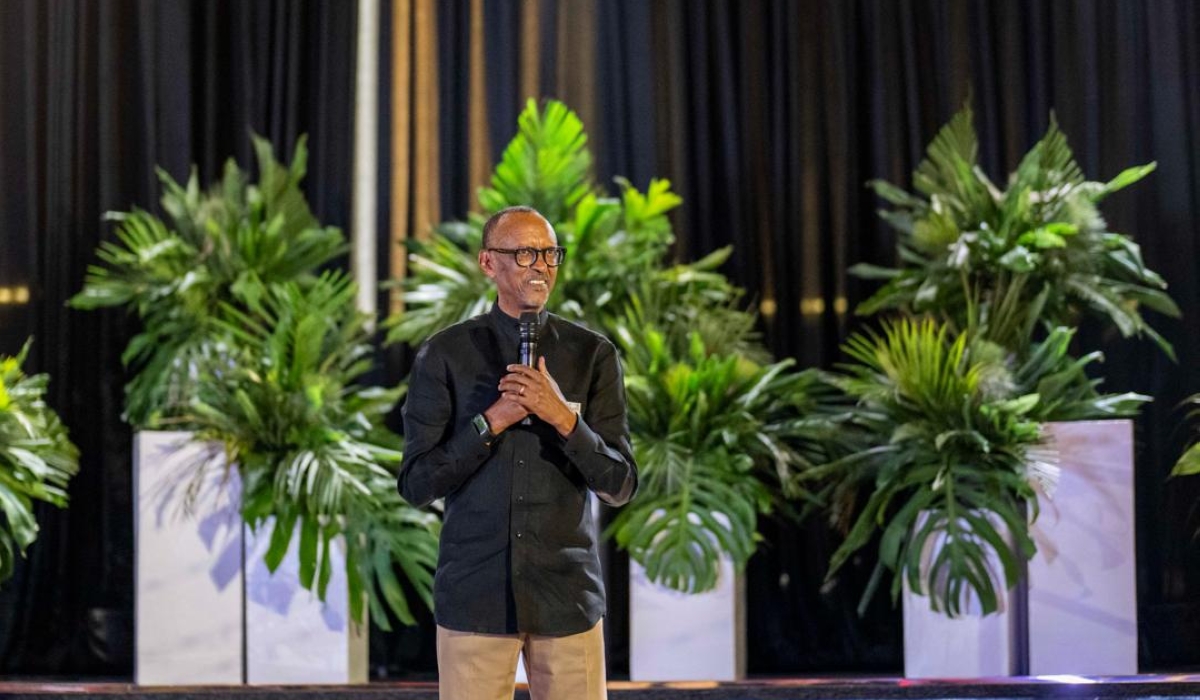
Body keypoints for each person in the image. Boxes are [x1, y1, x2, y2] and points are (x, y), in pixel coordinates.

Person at [397, 205, 638, 700]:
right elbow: (418, 483)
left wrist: (563, 418)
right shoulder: (446, 354)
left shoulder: (592, 354)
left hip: (567, 597)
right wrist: (492, 422)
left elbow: (619, 484)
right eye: (526, 253)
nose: (541, 266)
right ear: (489, 263)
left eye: (550, 253)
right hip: (476, 598)